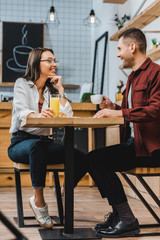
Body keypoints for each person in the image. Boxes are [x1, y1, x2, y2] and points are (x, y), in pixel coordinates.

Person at [85, 28, 160, 238]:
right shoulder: (132, 77)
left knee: (96, 160)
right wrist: (115, 107)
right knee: (92, 158)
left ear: (132, 47)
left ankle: (126, 219)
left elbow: (155, 110)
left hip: (152, 150)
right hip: (135, 146)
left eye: (119, 48)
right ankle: (120, 215)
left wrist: (118, 112)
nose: (118, 54)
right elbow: (133, 111)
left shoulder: (156, 73)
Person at [8, 47, 87, 229]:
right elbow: (21, 112)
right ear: (37, 63)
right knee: (36, 146)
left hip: (45, 142)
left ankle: (62, 191)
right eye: (49, 61)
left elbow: (66, 115)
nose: (54, 64)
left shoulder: (51, 90)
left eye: (54, 60)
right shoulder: (22, 83)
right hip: (20, 142)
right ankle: (39, 202)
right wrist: (37, 115)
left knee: (83, 158)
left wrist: (60, 90)